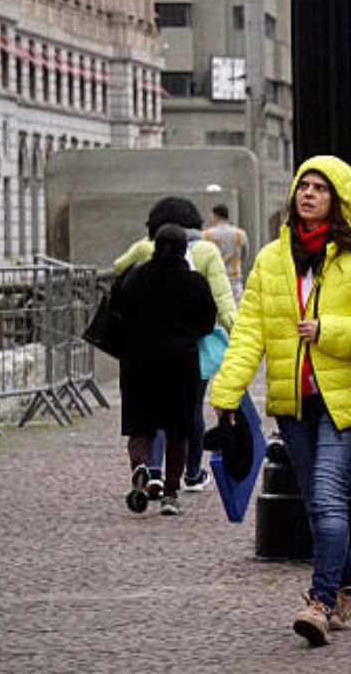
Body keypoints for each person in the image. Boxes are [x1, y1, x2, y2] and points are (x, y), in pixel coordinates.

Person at [209, 156, 351, 646]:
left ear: (339, 200)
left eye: (320, 188)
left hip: (346, 400)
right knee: (316, 502)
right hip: (295, 403)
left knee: (328, 497)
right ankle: (346, 584)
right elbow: (250, 331)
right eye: (303, 186)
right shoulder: (272, 259)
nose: (308, 194)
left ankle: (320, 602)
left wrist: (327, 330)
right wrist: (227, 392)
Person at [113, 197, 237, 497]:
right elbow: (217, 307)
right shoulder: (204, 258)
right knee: (186, 417)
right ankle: (186, 479)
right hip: (184, 355)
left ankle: (148, 469)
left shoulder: (140, 259)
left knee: (144, 421)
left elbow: (119, 294)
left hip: (139, 357)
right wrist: (240, 337)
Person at [118, 224, 217, 517]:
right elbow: (207, 323)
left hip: (138, 362)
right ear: (184, 249)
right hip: (180, 363)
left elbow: (120, 312)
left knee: (140, 427)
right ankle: (171, 494)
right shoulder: (194, 282)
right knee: (178, 430)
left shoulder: (135, 277)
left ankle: (142, 468)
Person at [203, 204, 249, 301]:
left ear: (215, 216)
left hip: (215, 278)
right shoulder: (239, 234)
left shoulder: (207, 235)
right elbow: (245, 254)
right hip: (234, 278)